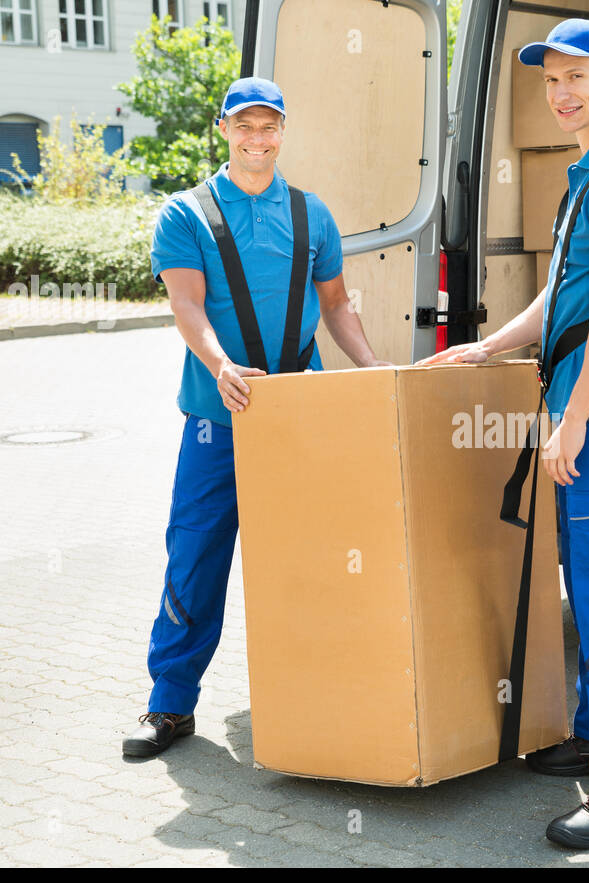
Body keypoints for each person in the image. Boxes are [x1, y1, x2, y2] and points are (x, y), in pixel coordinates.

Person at [421, 19, 589, 848]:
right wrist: (494, 342)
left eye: (577, 76)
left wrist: (572, 420)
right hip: (588, 406)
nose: (562, 93)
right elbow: (567, 294)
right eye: (549, 80)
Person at [125, 77, 390, 757]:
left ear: (282, 131)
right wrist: (221, 365)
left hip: (303, 418)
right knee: (195, 556)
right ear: (223, 130)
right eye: (245, 126)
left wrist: (370, 365)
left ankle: (319, 694)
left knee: (316, 561)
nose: (258, 138)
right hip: (219, 419)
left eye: (269, 125)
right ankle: (170, 704)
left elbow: (336, 306)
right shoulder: (186, 214)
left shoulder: (312, 215)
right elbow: (187, 305)